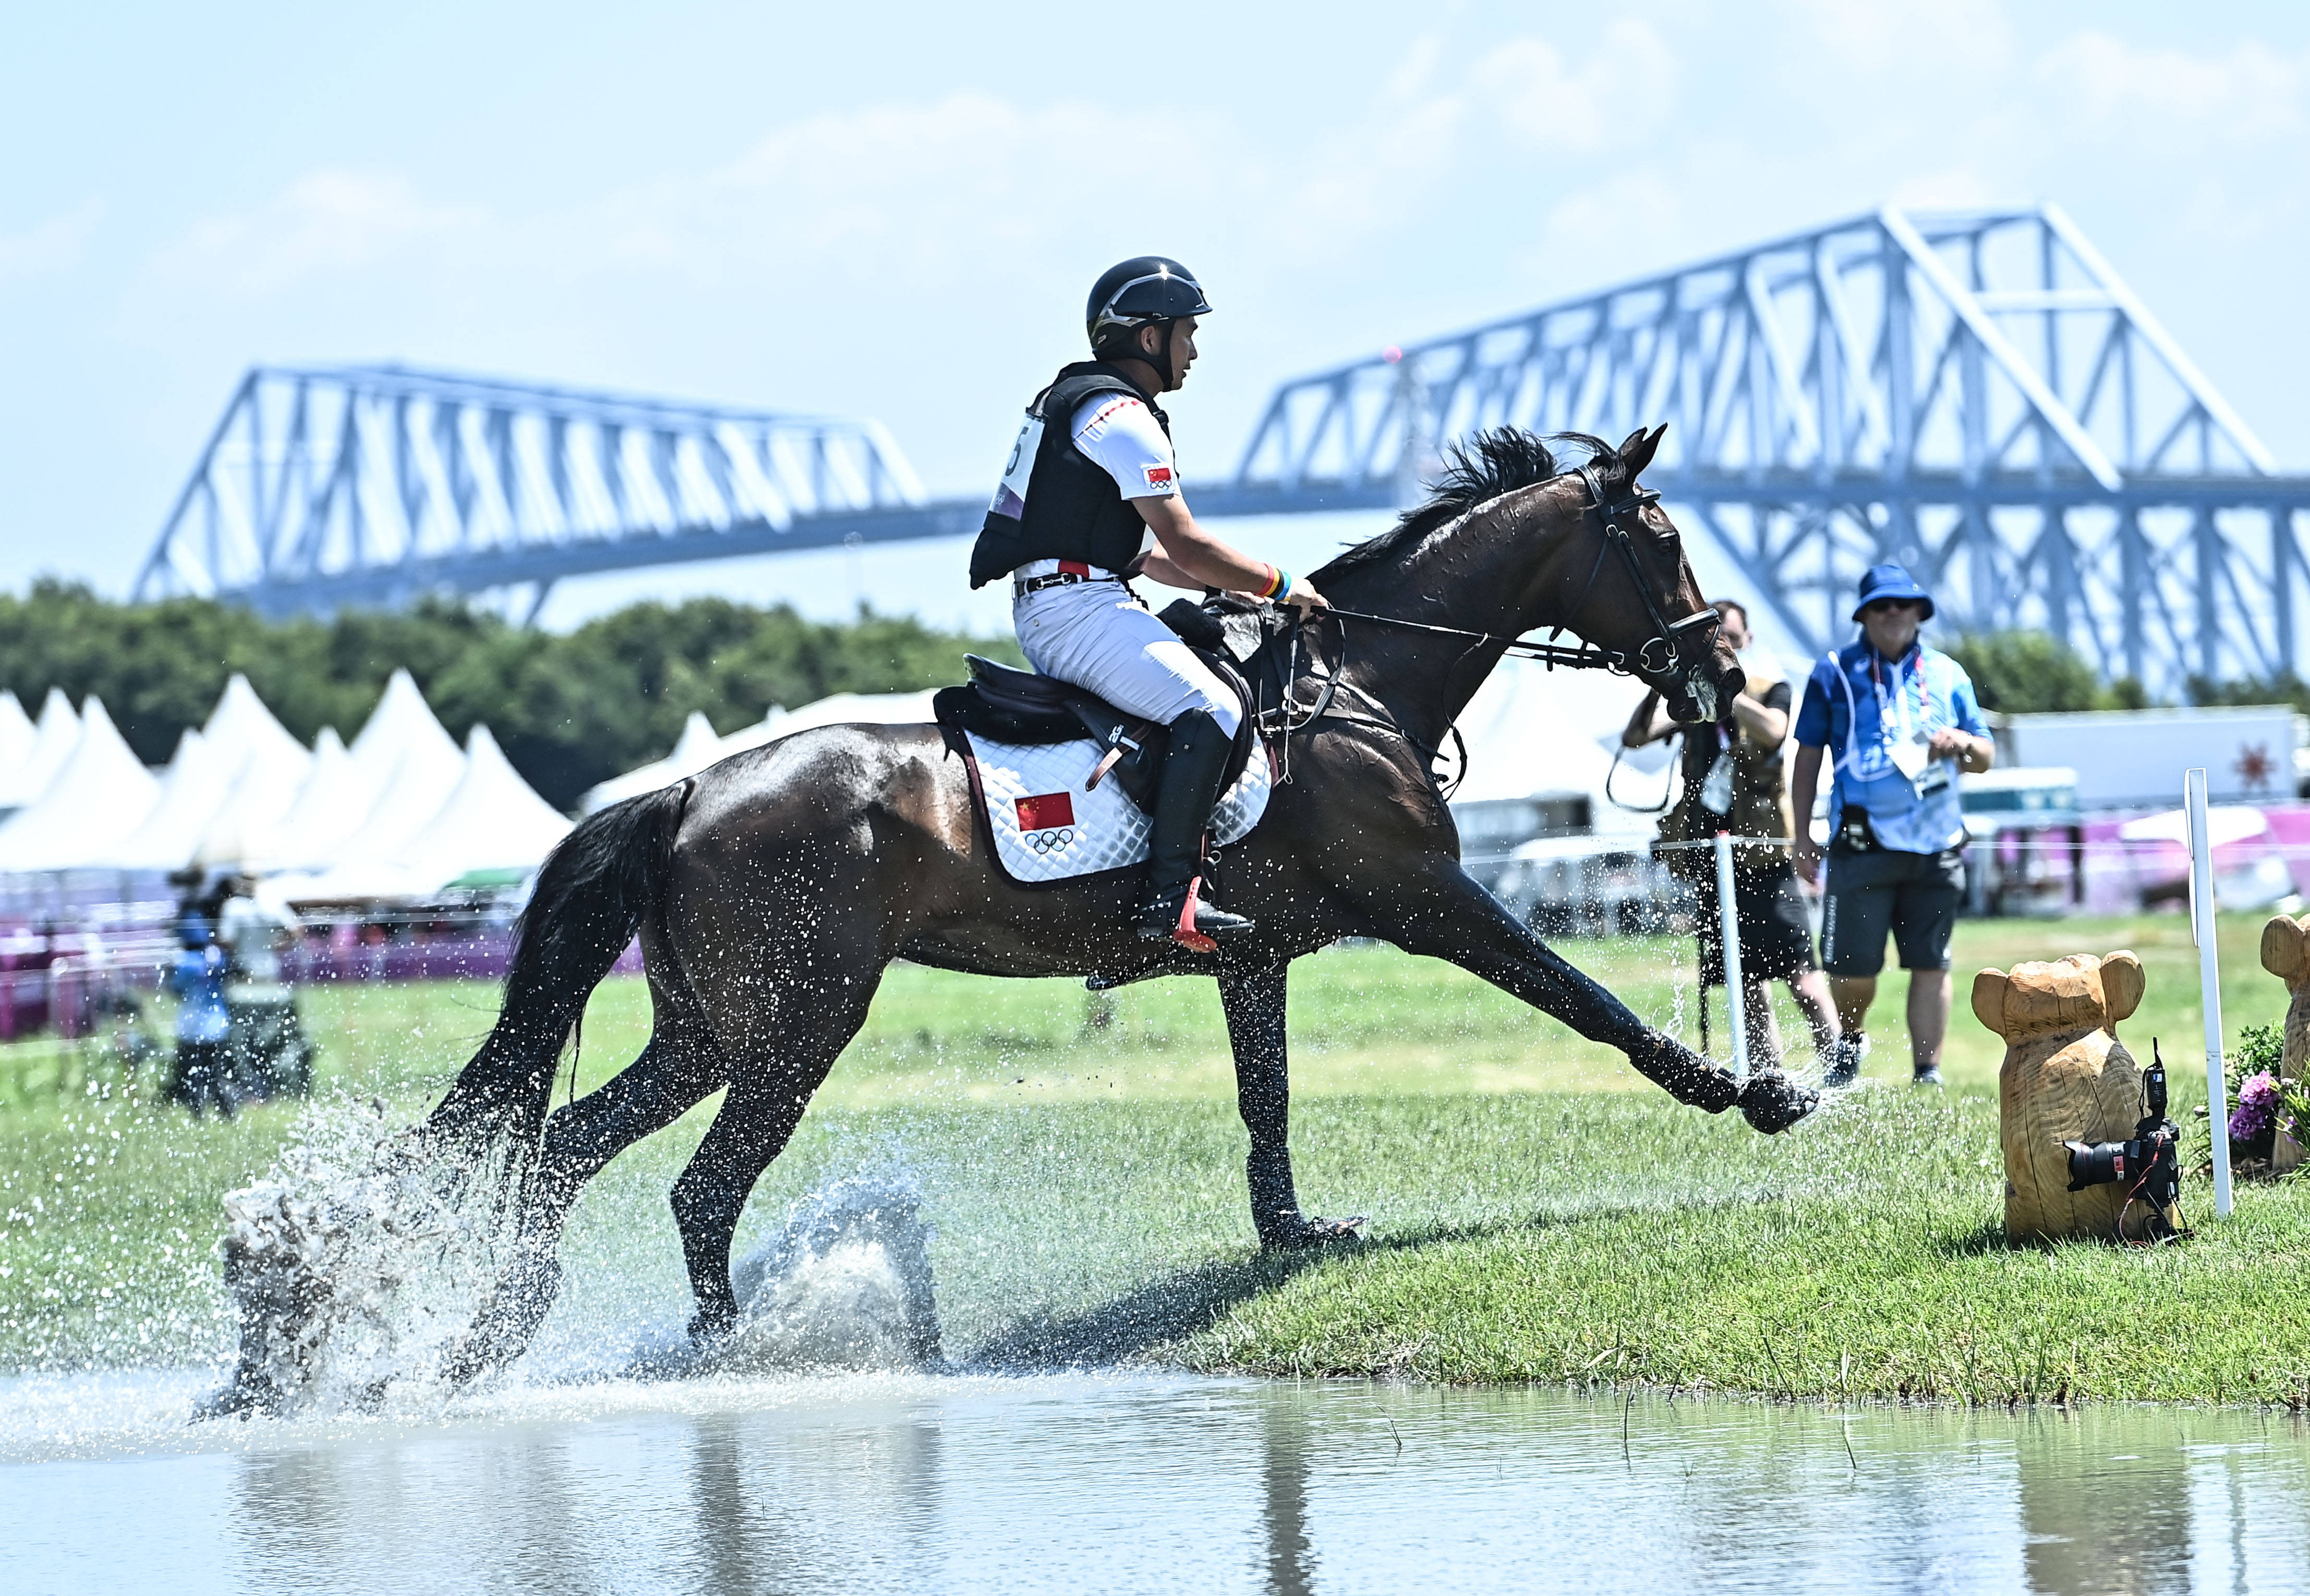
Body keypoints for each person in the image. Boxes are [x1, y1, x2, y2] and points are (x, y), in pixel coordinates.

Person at [970, 257, 1327, 948]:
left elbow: (1154, 560)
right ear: (1147, 337)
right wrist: (1280, 584)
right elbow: (1186, 545)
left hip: (1077, 595)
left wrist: (1233, 589)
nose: (1194, 351)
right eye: (1187, 333)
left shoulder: (1088, 405)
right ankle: (1171, 900)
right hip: (1075, 609)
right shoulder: (1120, 416)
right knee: (1213, 705)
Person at [1791, 564, 1995, 1086]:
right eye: (1881, 606)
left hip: (1937, 843)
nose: (1893, 614)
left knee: (1931, 964)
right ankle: (1851, 1043)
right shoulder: (1833, 671)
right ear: (1864, 615)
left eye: (1904, 604)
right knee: (1853, 970)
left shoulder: (1948, 673)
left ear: (1919, 613)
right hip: (1863, 843)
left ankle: (1927, 1071)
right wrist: (1801, 836)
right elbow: (1808, 753)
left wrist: (1963, 745)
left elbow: (1985, 754)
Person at [1625, 600, 1842, 1073]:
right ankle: (1770, 1076)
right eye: (1713, 638)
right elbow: (1636, 736)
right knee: (1744, 982)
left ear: (1746, 641)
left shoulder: (1771, 690)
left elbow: (1773, 732)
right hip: (1710, 862)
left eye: (1731, 637)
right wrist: (1663, 681)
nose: (1723, 644)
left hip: (1766, 858)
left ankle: (1837, 1061)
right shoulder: (1693, 706)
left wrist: (1727, 689)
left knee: (1801, 975)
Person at [166, 916, 235, 1118]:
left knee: (192, 1074)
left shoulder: (182, 962)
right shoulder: (216, 958)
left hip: (189, 1028)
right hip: (216, 1026)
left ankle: (198, 1113)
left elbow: (176, 989)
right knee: (216, 1073)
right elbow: (227, 976)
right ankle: (227, 1112)